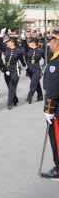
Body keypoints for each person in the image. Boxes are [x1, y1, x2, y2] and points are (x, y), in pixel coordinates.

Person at [41, 30, 59, 179]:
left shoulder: (56, 62)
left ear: (57, 43)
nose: (49, 44)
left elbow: (53, 89)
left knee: (57, 139)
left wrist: (49, 109)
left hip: (57, 108)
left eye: (51, 41)